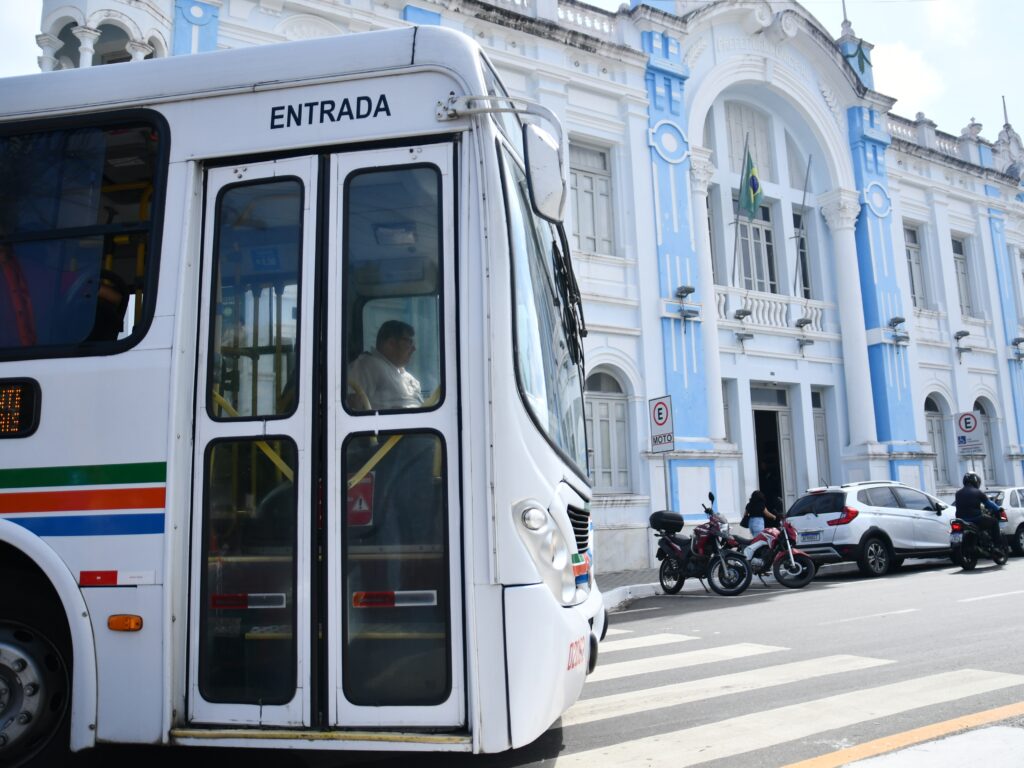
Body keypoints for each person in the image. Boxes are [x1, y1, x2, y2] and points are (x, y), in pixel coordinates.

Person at [347, 320, 423, 411]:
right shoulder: (368, 365)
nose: (414, 348)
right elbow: (351, 405)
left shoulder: (404, 374)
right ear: (391, 344)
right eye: (409, 342)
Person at [953, 471, 1005, 557]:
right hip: (975, 519)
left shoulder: (958, 493)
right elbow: (990, 504)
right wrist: (998, 509)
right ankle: (997, 547)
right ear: (976, 481)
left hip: (961, 520)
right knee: (995, 522)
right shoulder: (978, 492)